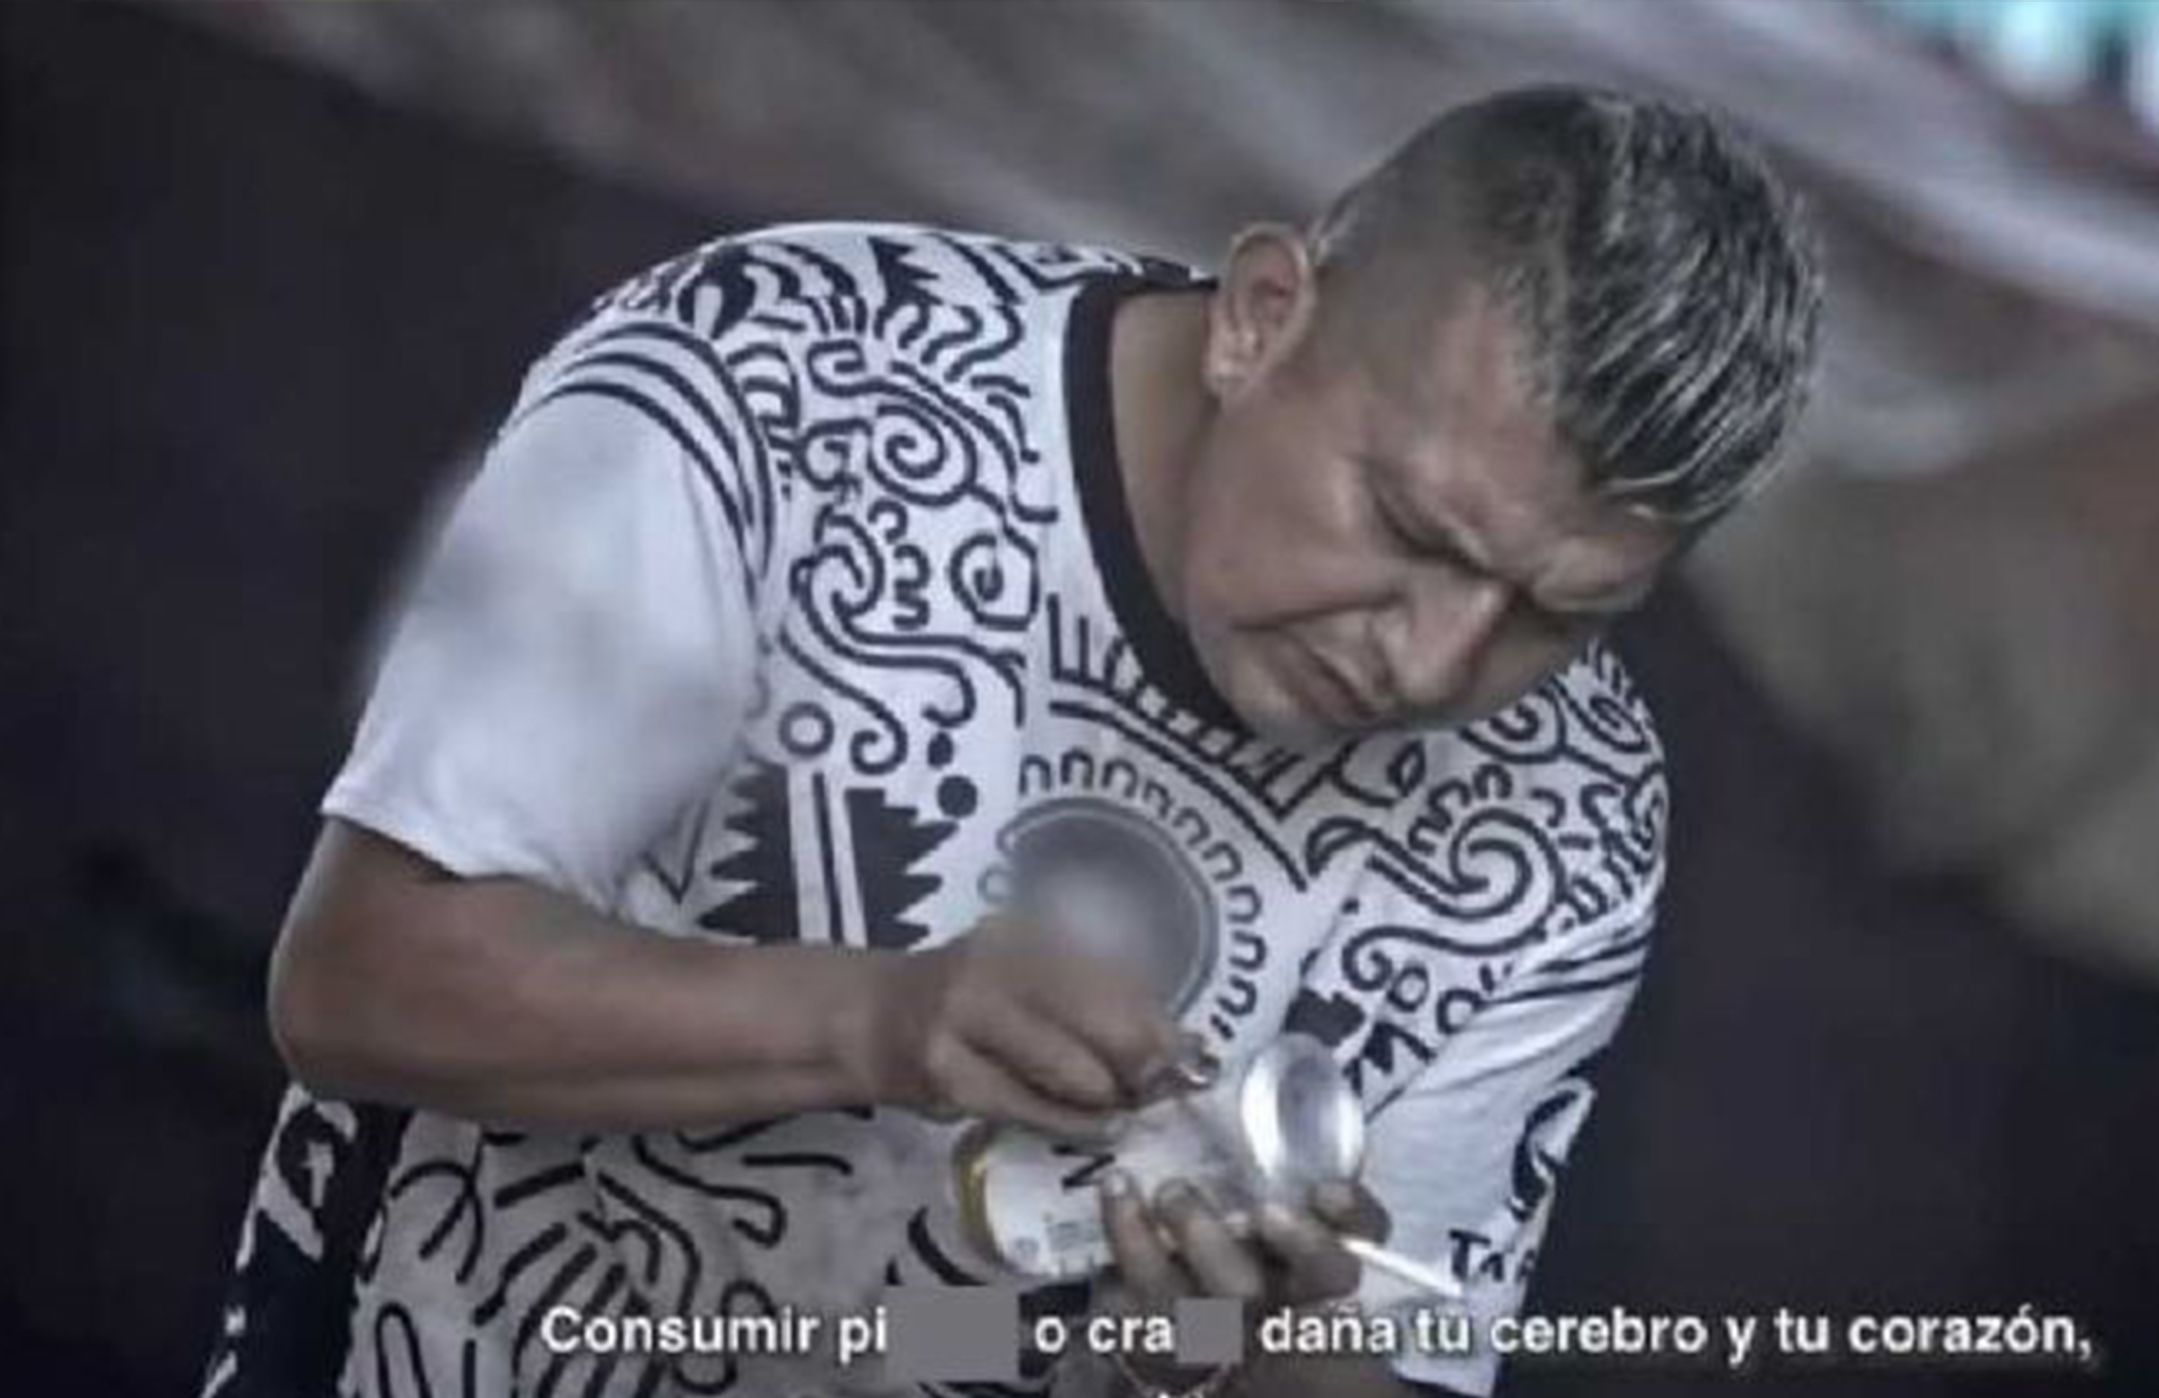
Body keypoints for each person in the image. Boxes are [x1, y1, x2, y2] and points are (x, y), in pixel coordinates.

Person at [203, 85, 1819, 1398]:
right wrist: (875, 1020)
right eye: (1407, 526)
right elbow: (359, 979)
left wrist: (1242, 1345)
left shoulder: (1571, 807)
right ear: (1264, 316)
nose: (1437, 659)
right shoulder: (778, 382)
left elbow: (1382, 1368)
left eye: (1558, 611)